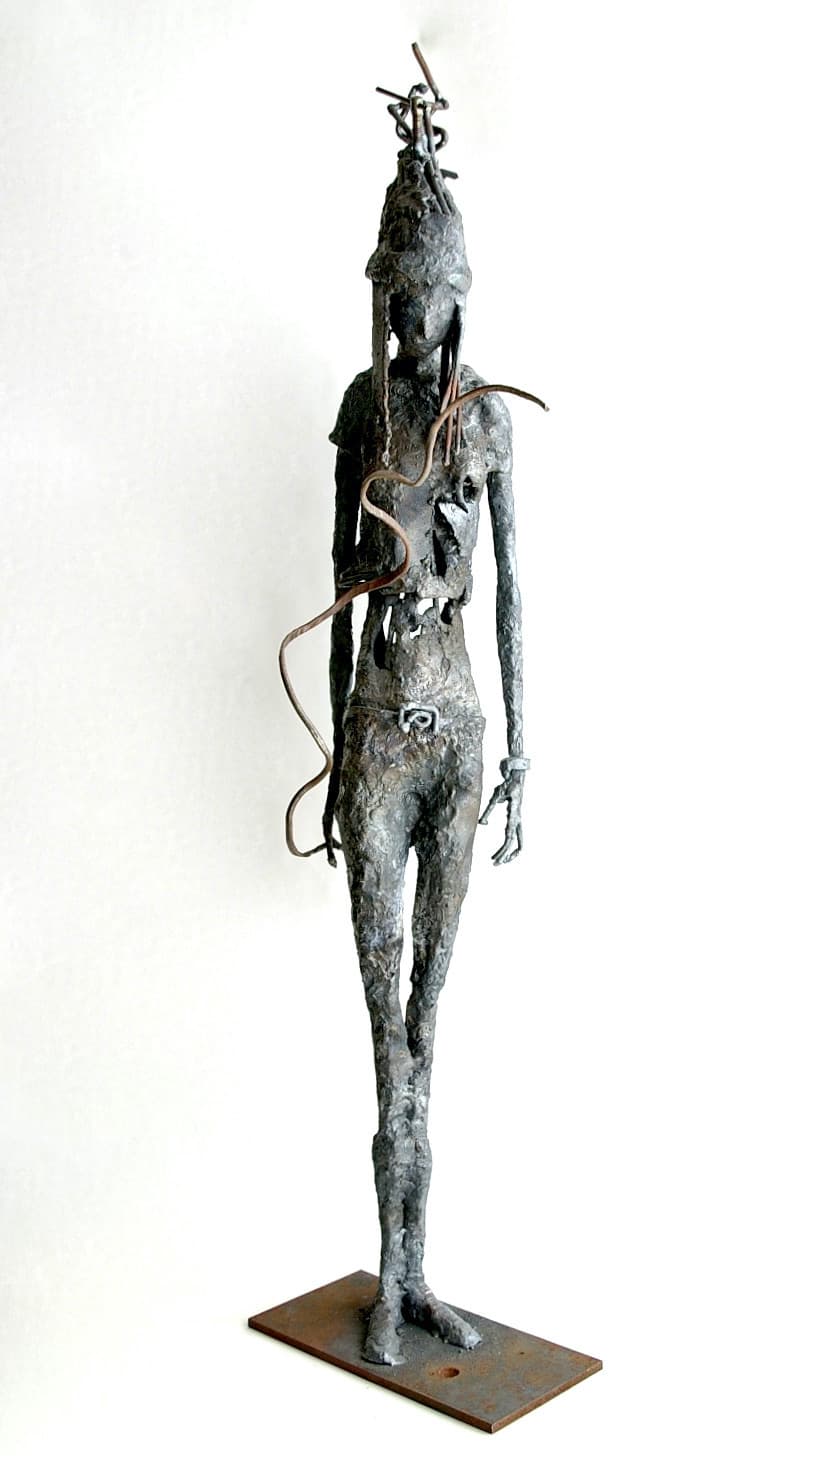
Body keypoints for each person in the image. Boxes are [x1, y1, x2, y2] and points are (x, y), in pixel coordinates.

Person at [319, 86, 532, 1367]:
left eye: (429, 294)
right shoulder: (363, 406)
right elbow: (334, 579)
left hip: (458, 741)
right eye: (397, 296)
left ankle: (413, 1273)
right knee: (385, 1037)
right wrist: (333, 748)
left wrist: (525, 750)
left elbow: (515, 589)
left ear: (459, 295)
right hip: (381, 745)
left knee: (429, 1023)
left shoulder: (487, 419)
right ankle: (390, 1279)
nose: (412, 316)